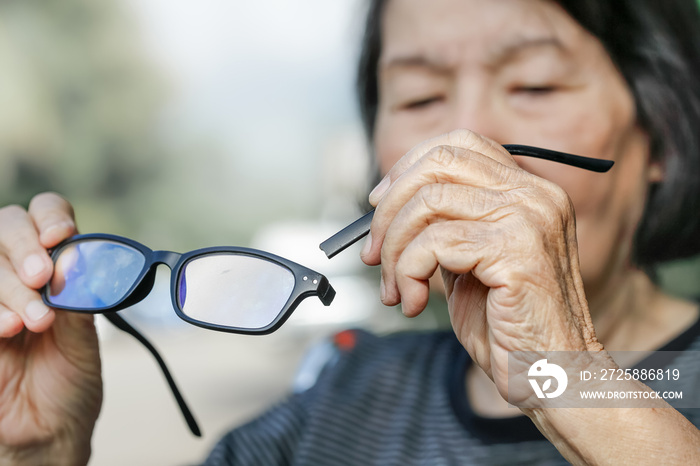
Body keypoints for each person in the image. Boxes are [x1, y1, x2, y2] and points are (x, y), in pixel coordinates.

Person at [1, 0, 700, 464]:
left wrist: (563, 375)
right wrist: (40, 453)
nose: (464, 143)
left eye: (536, 87)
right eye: (420, 97)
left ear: (661, 137)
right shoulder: (338, 406)